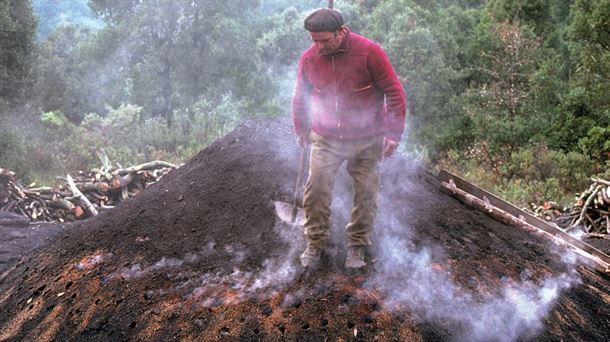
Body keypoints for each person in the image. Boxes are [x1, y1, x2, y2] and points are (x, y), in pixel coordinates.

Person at [292, 8, 407, 270]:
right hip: (326, 136)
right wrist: (300, 130)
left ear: (341, 31)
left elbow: (394, 91)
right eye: (313, 40)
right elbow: (300, 97)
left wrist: (393, 132)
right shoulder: (309, 59)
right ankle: (315, 243)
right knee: (316, 189)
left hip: (368, 137)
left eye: (324, 40)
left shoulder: (369, 52)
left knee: (366, 192)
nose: (318, 46)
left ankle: (357, 245)